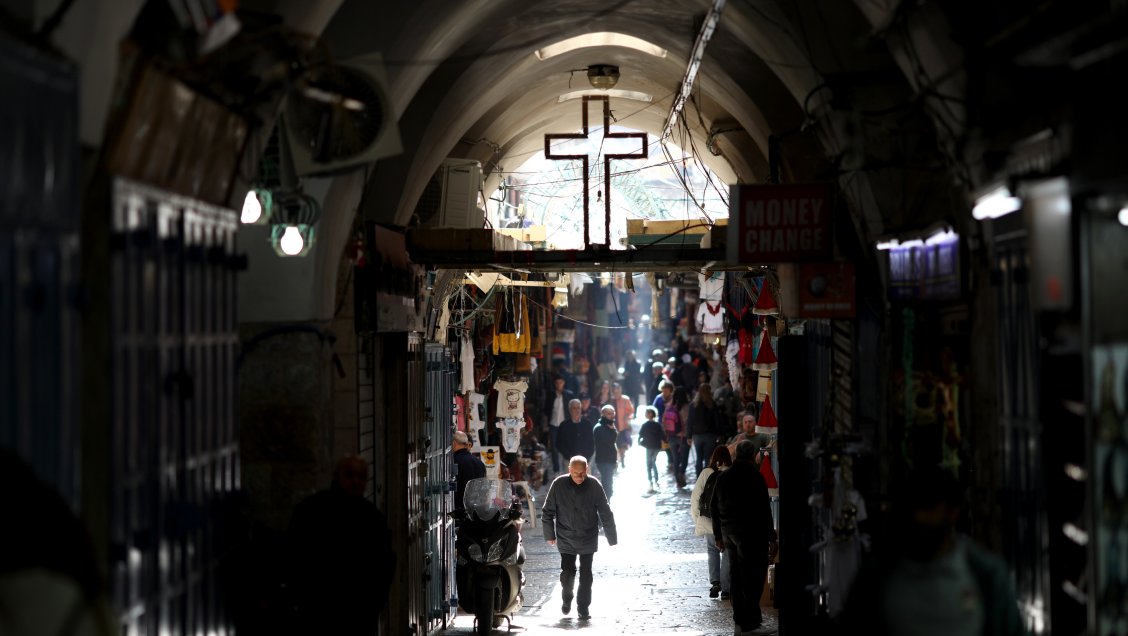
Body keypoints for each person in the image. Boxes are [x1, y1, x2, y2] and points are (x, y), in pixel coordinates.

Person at [839, 465, 1025, 636]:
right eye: (912, 507)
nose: (919, 517)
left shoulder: (985, 575)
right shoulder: (875, 578)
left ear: (952, 511)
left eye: (928, 506)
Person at [288, 456, 396, 636]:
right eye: (350, 475)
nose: (355, 482)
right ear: (337, 476)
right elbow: (295, 554)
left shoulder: (371, 518)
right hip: (320, 608)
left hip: (357, 611)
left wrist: (374, 601)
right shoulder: (312, 510)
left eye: (361, 477)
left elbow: (384, 562)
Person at [541, 456, 618, 620]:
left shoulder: (594, 485)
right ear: (569, 470)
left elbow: (605, 511)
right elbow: (547, 512)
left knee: (586, 574)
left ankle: (583, 608)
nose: (580, 477)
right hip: (565, 536)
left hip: (588, 536)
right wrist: (550, 535)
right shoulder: (558, 484)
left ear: (587, 470)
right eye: (576, 473)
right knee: (568, 572)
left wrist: (612, 537)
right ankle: (567, 597)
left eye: (582, 473)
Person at [712, 440, 776, 635]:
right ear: (751, 456)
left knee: (737, 577)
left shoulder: (723, 477)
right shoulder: (755, 477)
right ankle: (749, 623)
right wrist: (772, 537)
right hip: (750, 534)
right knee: (753, 577)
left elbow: (714, 507)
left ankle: (741, 620)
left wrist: (718, 535)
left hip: (729, 532)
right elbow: (765, 510)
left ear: (735, 455)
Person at [692, 445, 733, 600]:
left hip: (709, 520)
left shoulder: (706, 473)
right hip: (727, 521)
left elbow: (696, 497)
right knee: (728, 554)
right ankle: (726, 589)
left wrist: (698, 519)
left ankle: (715, 583)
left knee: (712, 550)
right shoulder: (731, 472)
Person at [688, 383, 723, 479]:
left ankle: (698, 477)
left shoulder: (693, 405)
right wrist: (719, 434)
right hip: (710, 435)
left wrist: (689, 436)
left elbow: (690, 421)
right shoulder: (712, 404)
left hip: (697, 435)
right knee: (708, 458)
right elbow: (717, 420)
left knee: (699, 458)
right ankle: (706, 477)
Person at [543, 375, 575, 473]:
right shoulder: (551, 395)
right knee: (554, 448)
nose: (559, 385)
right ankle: (556, 469)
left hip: (565, 425)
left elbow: (572, 410)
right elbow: (546, 409)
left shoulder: (569, 395)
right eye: (557, 383)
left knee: (567, 446)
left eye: (560, 382)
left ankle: (568, 467)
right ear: (554, 384)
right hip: (553, 424)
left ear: (564, 383)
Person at [665, 387, 692, 488]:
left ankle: (677, 479)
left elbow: (664, 421)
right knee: (684, 457)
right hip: (683, 436)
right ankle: (681, 474)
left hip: (672, 436)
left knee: (676, 458)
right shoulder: (687, 407)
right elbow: (688, 422)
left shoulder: (669, 406)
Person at [452, 430, 486, 510]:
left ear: (454, 443)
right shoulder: (480, 463)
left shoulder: (454, 461)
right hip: (474, 508)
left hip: (458, 507)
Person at [591, 405, 619, 500]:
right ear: (603, 414)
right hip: (604, 460)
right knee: (607, 485)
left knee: (608, 483)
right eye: (609, 413)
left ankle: (605, 503)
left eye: (613, 413)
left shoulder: (609, 425)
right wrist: (613, 431)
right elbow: (609, 442)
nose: (612, 415)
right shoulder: (600, 428)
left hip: (609, 460)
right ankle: (604, 504)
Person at [637, 406, 666, 492]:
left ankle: (654, 480)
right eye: (647, 413)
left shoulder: (653, 425)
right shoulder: (650, 425)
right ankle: (652, 481)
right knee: (650, 463)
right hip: (651, 446)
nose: (648, 414)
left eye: (649, 413)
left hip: (653, 446)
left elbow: (641, 435)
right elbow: (641, 435)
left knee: (651, 462)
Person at [557, 398, 595, 463]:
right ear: (570, 410)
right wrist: (568, 456)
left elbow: (592, 442)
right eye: (574, 408)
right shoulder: (564, 425)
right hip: (569, 461)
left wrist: (587, 456)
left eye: (579, 408)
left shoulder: (587, 424)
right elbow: (559, 444)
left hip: (585, 461)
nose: (577, 410)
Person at [611, 382, 634, 468]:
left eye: (618, 392)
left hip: (623, 427)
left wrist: (627, 417)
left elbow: (631, 411)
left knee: (622, 446)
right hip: (613, 427)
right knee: (615, 446)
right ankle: (616, 461)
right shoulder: (611, 400)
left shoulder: (625, 399)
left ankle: (622, 460)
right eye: (615, 392)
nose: (617, 394)